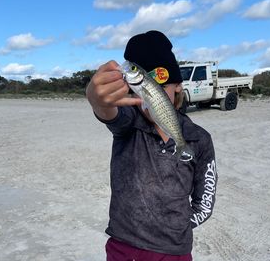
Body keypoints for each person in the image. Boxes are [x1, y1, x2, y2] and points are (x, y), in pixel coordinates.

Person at [86, 30, 217, 261]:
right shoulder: (128, 124)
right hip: (123, 245)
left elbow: (204, 200)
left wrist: (179, 227)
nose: (147, 100)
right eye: (135, 92)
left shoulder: (198, 139)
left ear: (177, 85)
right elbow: (107, 112)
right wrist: (95, 98)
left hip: (174, 251)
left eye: (161, 87)